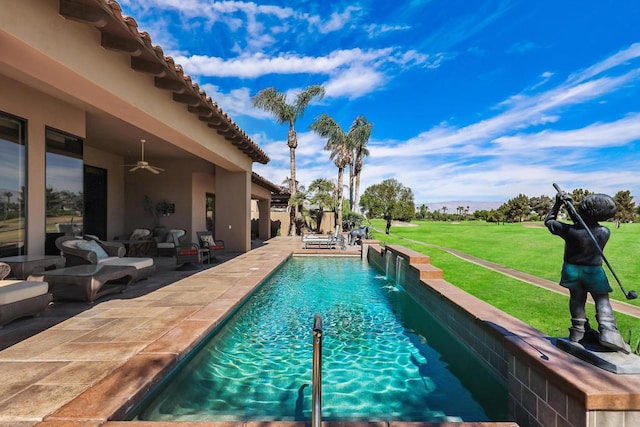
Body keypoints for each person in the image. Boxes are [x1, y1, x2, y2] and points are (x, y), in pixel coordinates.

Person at [545, 191, 630, 353]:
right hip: (594, 271)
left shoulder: (569, 231)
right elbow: (583, 223)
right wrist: (569, 207)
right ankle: (608, 330)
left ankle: (579, 330)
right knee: (602, 299)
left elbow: (549, 221)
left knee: (577, 298)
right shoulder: (605, 232)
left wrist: (558, 204)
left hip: (572, 270)